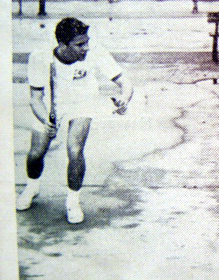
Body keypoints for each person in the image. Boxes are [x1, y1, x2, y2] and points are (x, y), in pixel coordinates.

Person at [16, 17, 133, 224]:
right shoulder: (40, 57)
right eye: (79, 44)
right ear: (62, 44)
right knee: (36, 154)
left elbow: (125, 82)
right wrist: (46, 121)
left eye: (86, 42)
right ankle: (32, 186)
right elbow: (35, 98)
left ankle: (73, 201)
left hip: (82, 102)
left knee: (75, 150)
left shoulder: (95, 52)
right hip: (51, 105)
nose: (86, 48)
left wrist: (124, 99)